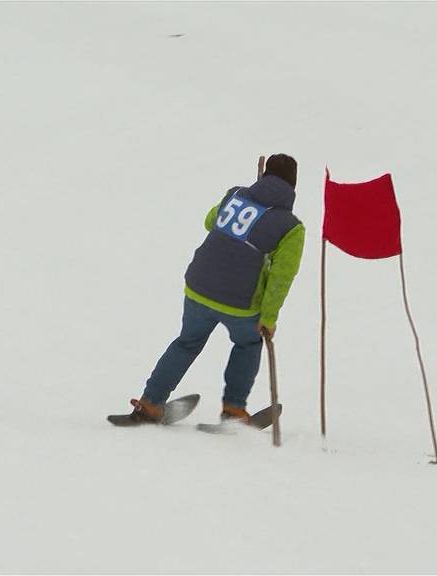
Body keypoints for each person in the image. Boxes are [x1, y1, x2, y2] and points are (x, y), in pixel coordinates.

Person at [120, 154, 305, 424]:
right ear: (293, 186)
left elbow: (210, 221)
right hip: (240, 303)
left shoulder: (236, 195)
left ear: (264, 176)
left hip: (198, 287)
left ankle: (150, 403)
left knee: (186, 342)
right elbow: (281, 276)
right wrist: (268, 318)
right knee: (248, 343)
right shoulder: (291, 227)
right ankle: (233, 409)